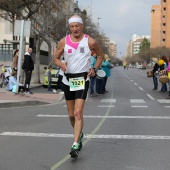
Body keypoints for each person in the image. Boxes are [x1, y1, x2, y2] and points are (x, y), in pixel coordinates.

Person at [53, 14, 104, 158]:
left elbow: (101, 55)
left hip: (82, 79)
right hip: (67, 80)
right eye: (72, 26)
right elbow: (55, 58)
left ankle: (75, 143)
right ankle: (79, 134)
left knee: (77, 112)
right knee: (70, 115)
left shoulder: (91, 41)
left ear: (82, 26)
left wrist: (94, 69)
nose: (75, 29)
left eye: (77, 26)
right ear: (69, 27)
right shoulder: (63, 41)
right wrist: (61, 64)